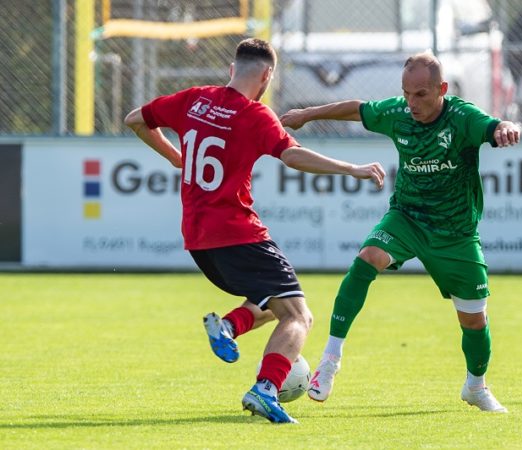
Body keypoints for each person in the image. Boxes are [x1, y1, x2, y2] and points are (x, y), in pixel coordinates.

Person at [124, 38, 385, 424]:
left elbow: (135, 119)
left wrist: (177, 157)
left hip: (198, 241)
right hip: (238, 234)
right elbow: (292, 155)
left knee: (274, 302)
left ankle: (229, 326)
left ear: (232, 69)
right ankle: (266, 389)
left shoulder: (194, 100)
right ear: (267, 76)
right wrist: (350, 168)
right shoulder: (255, 115)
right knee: (298, 316)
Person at [280, 52, 520, 413]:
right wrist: (307, 114)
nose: (412, 103)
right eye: (406, 93)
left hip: (454, 231)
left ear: (442, 89)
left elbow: (492, 126)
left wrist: (505, 127)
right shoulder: (398, 112)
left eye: (421, 94)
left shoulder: (461, 117)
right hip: (407, 216)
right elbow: (357, 109)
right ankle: (329, 361)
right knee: (367, 258)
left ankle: (475, 386)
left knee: (473, 318)